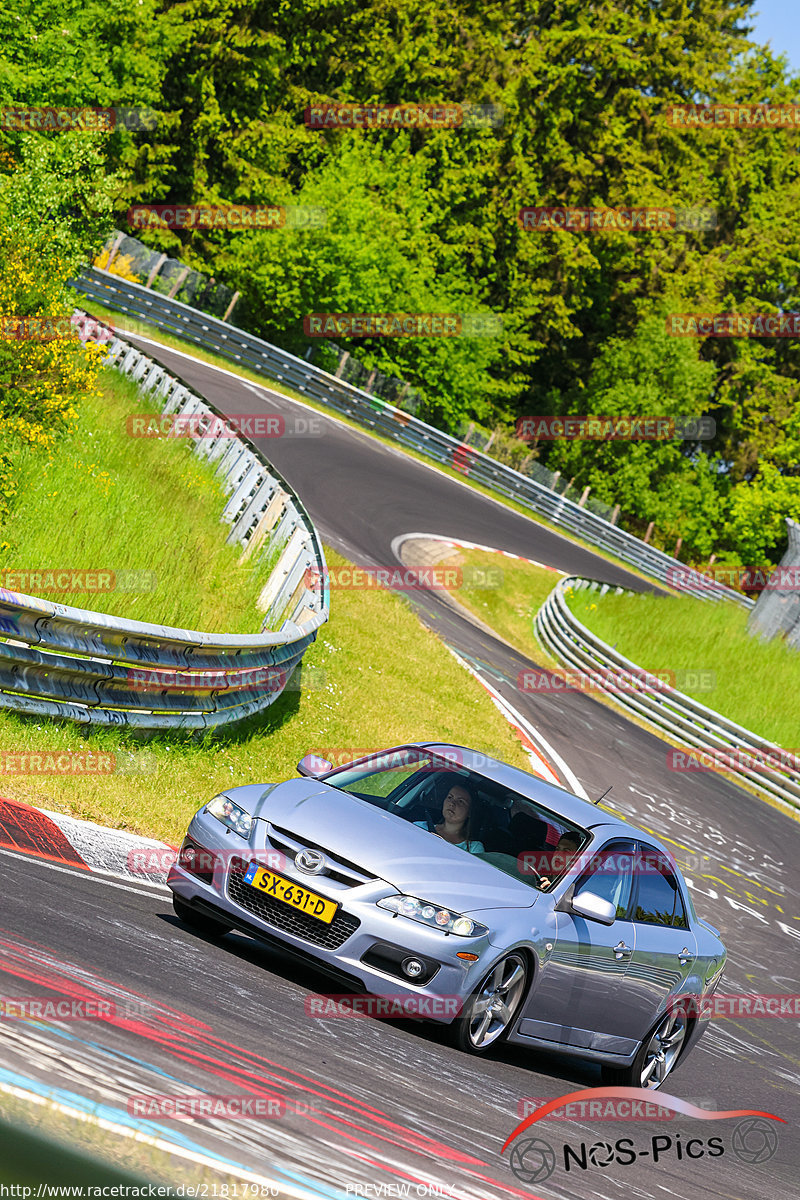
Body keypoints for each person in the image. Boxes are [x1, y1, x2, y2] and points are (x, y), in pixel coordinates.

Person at [414, 782, 485, 854]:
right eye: (450, 797)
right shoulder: (419, 827)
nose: (452, 803)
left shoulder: (473, 848)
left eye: (460, 801)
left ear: (469, 812)